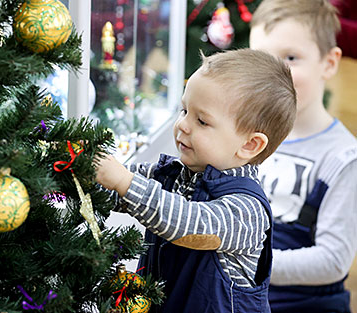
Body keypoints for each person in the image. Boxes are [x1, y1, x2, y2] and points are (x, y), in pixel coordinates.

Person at [95, 48, 296, 313]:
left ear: (249, 144)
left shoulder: (247, 211)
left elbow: (190, 225)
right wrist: (87, 168)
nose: (183, 125)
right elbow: (113, 188)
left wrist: (125, 182)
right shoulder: (171, 174)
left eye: (202, 121)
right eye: (184, 110)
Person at [249, 0, 357, 312]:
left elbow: (333, 260)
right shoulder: (245, 137)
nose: (275, 74)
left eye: (291, 58)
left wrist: (249, 258)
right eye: (263, 59)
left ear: (329, 62)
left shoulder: (343, 157)